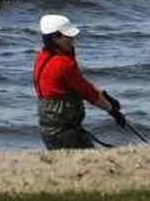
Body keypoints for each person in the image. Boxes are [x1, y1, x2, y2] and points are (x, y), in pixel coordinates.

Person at [33, 14, 126, 150]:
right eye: (68, 37)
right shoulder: (63, 64)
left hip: (50, 128)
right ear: (55, 38)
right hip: (63, 131)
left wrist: (104, 95)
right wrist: (112, 111)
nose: (73, 39)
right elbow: (88, 93)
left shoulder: (42, 58)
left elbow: (78, 84)